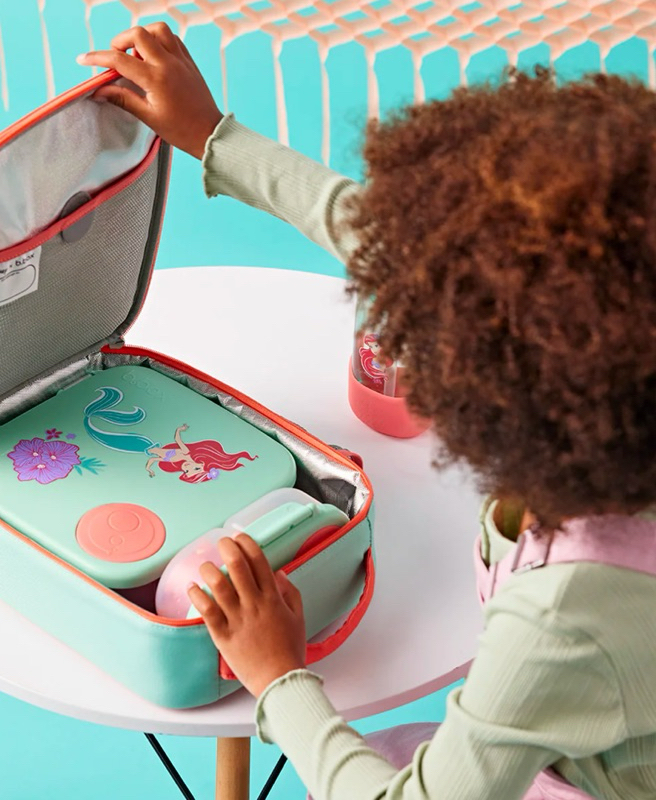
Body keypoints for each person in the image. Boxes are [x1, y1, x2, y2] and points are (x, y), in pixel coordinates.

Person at [77, 27, 656, 800]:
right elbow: (391, 241)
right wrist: (215, 138)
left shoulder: (564, 621)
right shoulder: (612, 390)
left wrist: (279, 677)